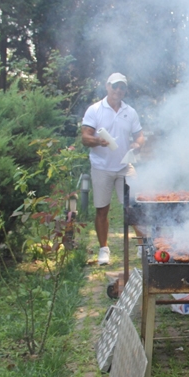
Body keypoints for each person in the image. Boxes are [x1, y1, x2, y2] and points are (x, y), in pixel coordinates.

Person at [81, 73, 145, 265]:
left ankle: (143, 245)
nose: (118, 90)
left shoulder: (130, 112)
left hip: (125, 166)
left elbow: (140, 135)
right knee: (102, 209)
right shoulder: (95, 110)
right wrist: (98, 141)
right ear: (107, 86)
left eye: (122, 87)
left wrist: (137, 144)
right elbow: (85, 137)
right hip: (101, 167)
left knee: (134, 206)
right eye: (115, 86)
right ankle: (104, 249)